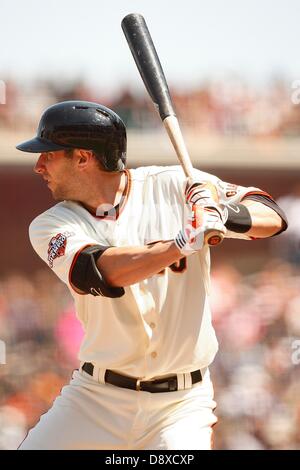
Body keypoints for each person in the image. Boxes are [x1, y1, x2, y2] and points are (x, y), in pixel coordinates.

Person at [16, 100, 287, 450]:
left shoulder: (174, 184)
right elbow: (101, 271)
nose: (39, 166)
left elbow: (272, 216)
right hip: (96, 399)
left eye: (49, 154)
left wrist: (222, 212)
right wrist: (181, 242)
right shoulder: (51, 224)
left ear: (83, 158)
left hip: (181, 405)